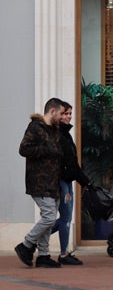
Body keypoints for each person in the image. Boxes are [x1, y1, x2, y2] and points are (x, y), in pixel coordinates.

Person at [15, 98, 66, 268]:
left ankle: (43, 255)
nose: (63, 117)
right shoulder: (35, 127)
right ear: (52, 111)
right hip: (39, 182)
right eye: (61, 113)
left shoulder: (54, 130)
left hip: (53, 182)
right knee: (49, 217)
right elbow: (24, 149)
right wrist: (46, 149)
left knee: (48, 220)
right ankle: (26, 245)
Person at [53, 100, 92, 265]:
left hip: (67, 180)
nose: (68, 116)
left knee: (65, 218)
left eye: (70, 113)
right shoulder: (58, 135)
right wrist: (85, 181)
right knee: (65, 217)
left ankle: (33, 240)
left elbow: (72, 162)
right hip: (62, 180)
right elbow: (69, 164)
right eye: (65, 113)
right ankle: (62, 253)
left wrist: (83, 180)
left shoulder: (66, 134)